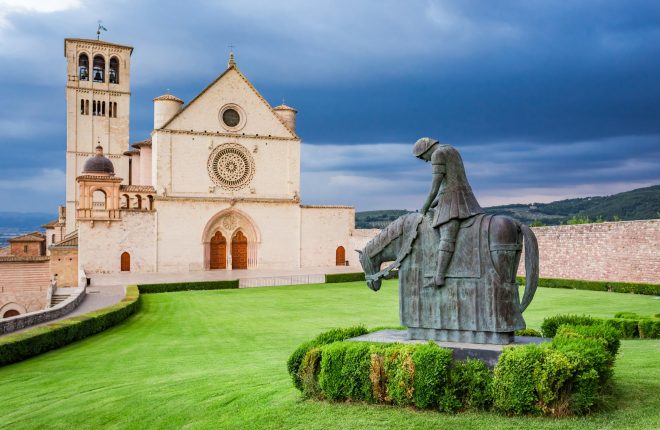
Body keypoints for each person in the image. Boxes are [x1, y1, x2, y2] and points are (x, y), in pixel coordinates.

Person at [413, 137, 484, 287]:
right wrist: (433, 204)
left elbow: (435, 188)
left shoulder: (437, 154)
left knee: (446, 238)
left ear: (426, 149)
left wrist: (424, 208)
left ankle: (439, 276)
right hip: (465, 197)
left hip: (452, 202)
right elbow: (448, 185)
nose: (425, 160)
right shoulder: (452, 149)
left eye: (422, 157)